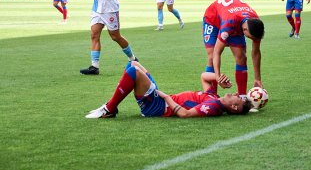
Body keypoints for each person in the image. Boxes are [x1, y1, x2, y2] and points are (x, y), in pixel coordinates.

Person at [85, 61, 253, 118]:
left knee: (133, 71)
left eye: (240, 98)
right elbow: (204, 76)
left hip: (158, 106)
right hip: (160, 100)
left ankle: (109, 109)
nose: (237, 94)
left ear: (235, 107)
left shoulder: (214, 107)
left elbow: (184, 114)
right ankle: (112, 107)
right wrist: (219, 79)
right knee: (133, 64)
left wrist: (166, 98)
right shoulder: (214, 97)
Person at [203, 0, 265, 97]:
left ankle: (242, 96)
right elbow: (217, 52)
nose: (253, 40)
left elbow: (256, 52)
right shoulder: (229, 25)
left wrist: (257, 79)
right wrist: (218, 77)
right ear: (244, 30)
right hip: (212, 19)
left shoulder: (255, 23)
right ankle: (211, 96)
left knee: (241, 57)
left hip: (234, 18)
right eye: (251, 38)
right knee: (211, 56)